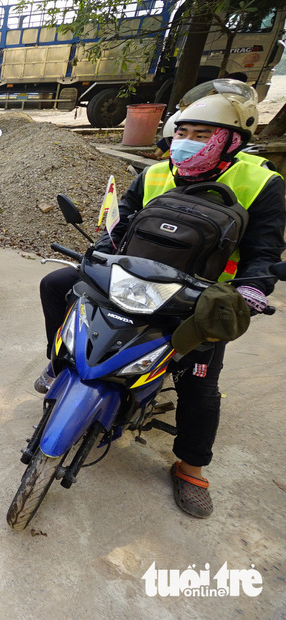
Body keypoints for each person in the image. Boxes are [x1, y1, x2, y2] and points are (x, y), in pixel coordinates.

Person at [36, 91, 285, 518]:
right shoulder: (155, 173)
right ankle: (60, 367)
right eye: (182, 132)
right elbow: (122, 223)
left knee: (200, 387)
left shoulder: (261, 182)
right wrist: (98, 253)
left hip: (198, 299)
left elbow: (264, 252)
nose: (186, 142)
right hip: (128, 282)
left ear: (231, 140)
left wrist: (253, 290)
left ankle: (191, 469)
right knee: (57, 284)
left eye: (201, 134)